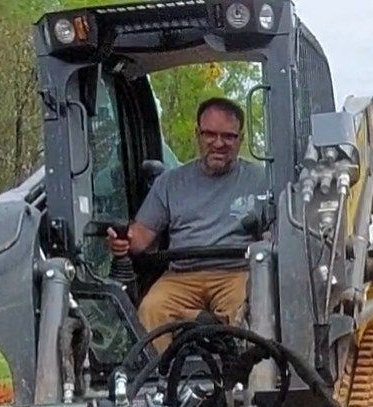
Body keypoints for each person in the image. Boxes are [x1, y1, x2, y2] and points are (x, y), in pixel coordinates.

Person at [109, 97, 267, 333]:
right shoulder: (170, 183)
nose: (218, 143)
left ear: (241, 139)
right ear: (197, 134)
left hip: (236, 272)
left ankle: (237, 367)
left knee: (246, 311)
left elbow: (276, 234)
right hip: (182, 274)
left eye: (229, 136)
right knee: (151, 309)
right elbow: (140, 237)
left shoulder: (261, 180)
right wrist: (122, 239)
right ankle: (158, 370)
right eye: (210, 134)